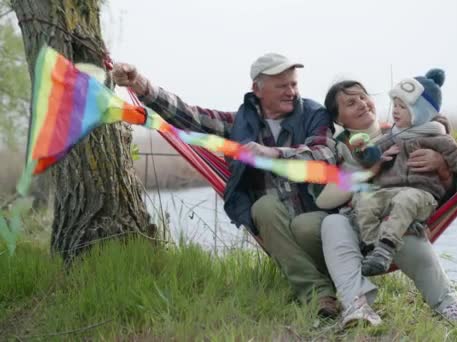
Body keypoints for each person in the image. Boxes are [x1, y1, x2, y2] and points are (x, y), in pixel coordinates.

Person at [112, 53, 340, 317]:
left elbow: (325, 155)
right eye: (282, 86)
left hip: (314, 220)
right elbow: (189, 116)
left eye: (294, 84)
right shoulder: (240, 124)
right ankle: (319, 294)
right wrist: (141, 84)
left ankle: (335, 278)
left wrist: (274, 153)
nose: (291, 92)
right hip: (275, 225)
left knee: (304, 226)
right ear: (257, 89)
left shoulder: (314, 114)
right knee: (263, 207)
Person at [317, 78, 457, 327]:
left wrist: (442, 166)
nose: (361, 104)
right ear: (339, 119)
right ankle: (356, 304)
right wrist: (371, 168)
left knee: (401, 227)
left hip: (399, 218)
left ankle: (447, 302)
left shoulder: (407, 131)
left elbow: (456, 186)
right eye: (350, 103)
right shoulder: (340, 150)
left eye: (363, 96)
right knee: (332, 223)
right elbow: (325, 199)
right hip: (359, 224)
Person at [349, 69, 457, 277]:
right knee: (366, 201)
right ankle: (371, 247)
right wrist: (362, 151)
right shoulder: (393, 135)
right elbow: (371, 153)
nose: (396, 111)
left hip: (422, 195)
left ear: (420, 112)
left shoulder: (436, 138)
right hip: (390, 192)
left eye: (403, 107)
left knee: (406, 199)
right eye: (395, 105)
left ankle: (385, 248)